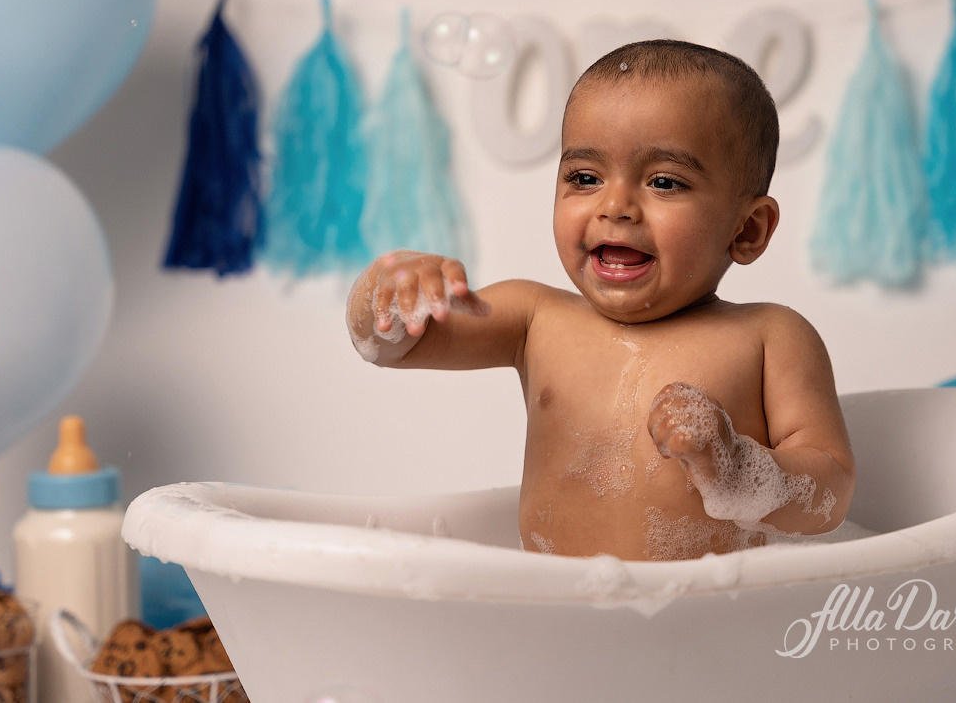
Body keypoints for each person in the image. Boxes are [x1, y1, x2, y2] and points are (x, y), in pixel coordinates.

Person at [346, 39, 855, 561]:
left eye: (664, 182)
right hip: (555, 614)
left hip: (706, 619)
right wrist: (388, 291)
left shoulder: (771, 338)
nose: (615, 206)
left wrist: (737, 470)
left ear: (747, 229)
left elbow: (831, 491)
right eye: (584, 177)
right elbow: (394, 346)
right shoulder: (533, 318)